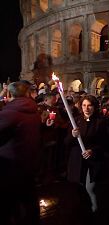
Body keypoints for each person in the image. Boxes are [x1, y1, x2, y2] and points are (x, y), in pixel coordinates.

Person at [0, 81, 41, 225]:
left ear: (10, 94)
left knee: (9, 208)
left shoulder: (11, 113)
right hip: (28, 165)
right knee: (29, 204)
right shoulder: (32, 109)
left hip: (10, 169)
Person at [64, 95, 107, 215]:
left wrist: (92, 150)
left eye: (89, 105)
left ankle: (95, 212)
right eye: (84, 105)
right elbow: (66, 142)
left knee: (90, 187)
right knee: (78, 187)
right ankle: (82, 211)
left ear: (94, 107)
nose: (86, 108)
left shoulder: (100, 122)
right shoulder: (75, 121)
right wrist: (72, 135)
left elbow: (105, 142)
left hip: (93, 160)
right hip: (77, 159)